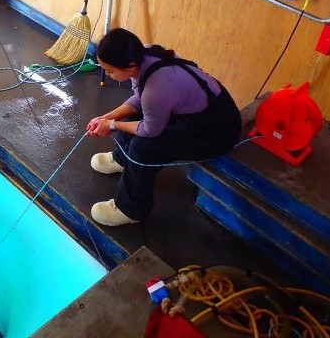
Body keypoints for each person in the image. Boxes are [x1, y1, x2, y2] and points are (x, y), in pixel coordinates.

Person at [86, 28, 242, 226]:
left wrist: (112, 125)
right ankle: (121, 158)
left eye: (109, 71)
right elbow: (140, 101)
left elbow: (150, 130)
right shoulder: (144, 53)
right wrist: (106, 117)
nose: (106, 74)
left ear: (131, 67)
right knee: (138, 115)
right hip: (202, 111)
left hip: (216, 130)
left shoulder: (157, 89)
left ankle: (130, 209)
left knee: (144, 147)